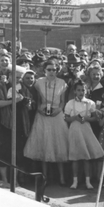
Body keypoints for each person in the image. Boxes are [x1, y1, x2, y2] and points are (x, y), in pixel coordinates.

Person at [24, 56, 70, 185]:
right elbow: (37, 100)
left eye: (54, 70)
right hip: (43, 115)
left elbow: (62, 101)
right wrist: (39, 109)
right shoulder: (39, 82)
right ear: (45, 70)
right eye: (49, 69)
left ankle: (61, 177)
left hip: (57, 115)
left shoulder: (62, 83)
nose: (52, 72)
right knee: (44, 145)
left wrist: (58, 110)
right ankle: (45, 177)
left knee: (59, 146)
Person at [65, 80, 104, 190]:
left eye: (83, 90)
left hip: (86, 129)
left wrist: (87, 118)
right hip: (75, 130)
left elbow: (94, 118)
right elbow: (66, 117)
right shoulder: (70, 103)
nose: (81, 92)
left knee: (87, 158)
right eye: (78, 90)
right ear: (74, 91)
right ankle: (75, 181)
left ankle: (88, 181)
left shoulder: (90, 103)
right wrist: (74, 118)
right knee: (75, 157)